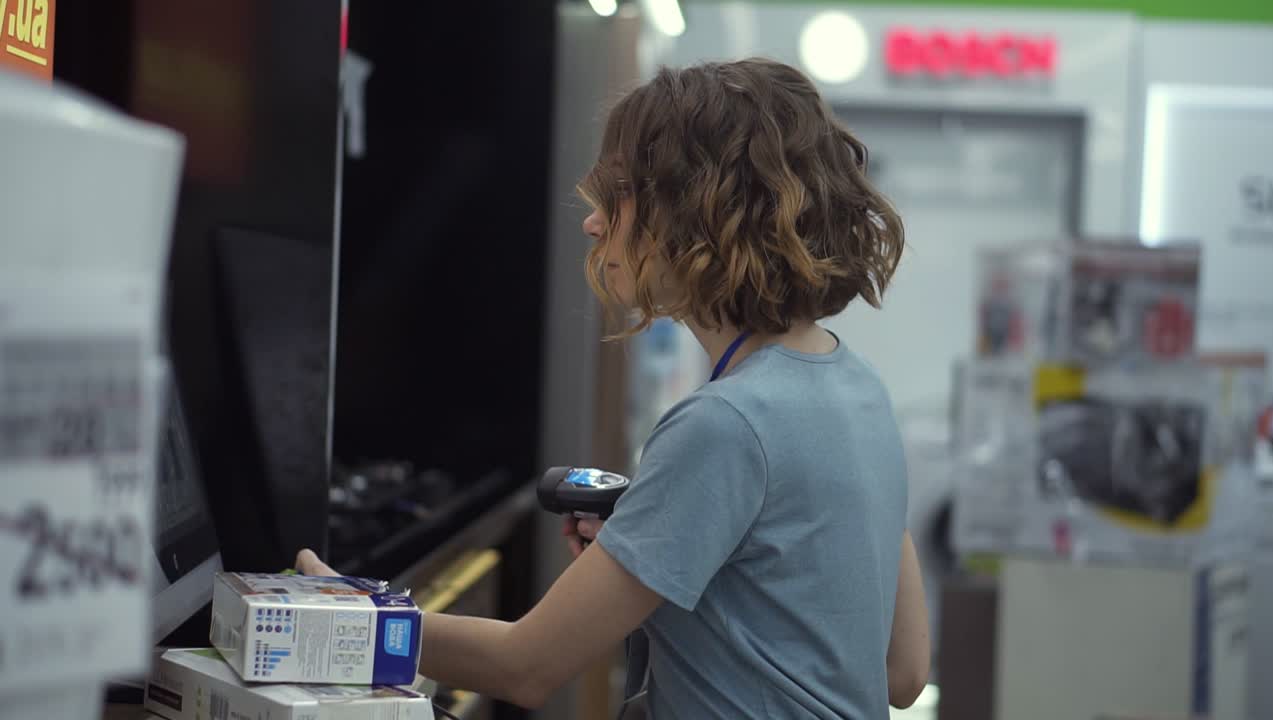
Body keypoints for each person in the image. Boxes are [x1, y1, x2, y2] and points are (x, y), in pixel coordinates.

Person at [297, 57, 930, 718]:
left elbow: (526, 666)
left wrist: (350, 619)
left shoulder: (727, 425)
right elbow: (901, 673)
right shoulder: (861, 393)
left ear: (705, 210)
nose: (594, 222)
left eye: (622, 193)